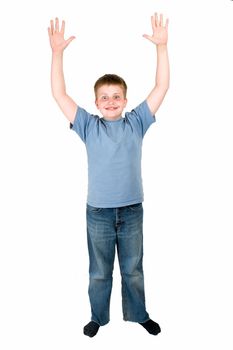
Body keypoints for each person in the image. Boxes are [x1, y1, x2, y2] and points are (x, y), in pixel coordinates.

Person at [48, 13, 169, 337]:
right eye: (105, 97)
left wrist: (161, 47)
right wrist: (57, 53)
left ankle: (139, 314)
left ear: (126, 100)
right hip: (98, 213)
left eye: (117, 96)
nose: (111, 101)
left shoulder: (137, 121)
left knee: (133, 270)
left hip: (131, 210)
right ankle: (97, 318)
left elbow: (162, 86)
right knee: (100, 272)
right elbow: (60, 95)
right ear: (96, 103)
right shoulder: (88, 126)